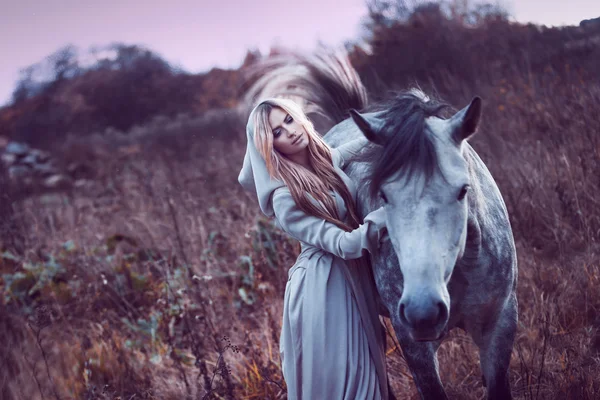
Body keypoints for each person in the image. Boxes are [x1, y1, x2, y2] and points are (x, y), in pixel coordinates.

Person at [238, 98, 390, 399]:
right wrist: (390, 214)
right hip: (324, 287)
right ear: (270, 146)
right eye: (277, 132)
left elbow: (357, 145)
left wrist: (391, 122)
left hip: (351, 279)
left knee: (369, 371)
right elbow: (343, 244)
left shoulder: (325, 162)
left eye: (289, 120)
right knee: (353, 380)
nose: (290, 132)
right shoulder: (284, 197)